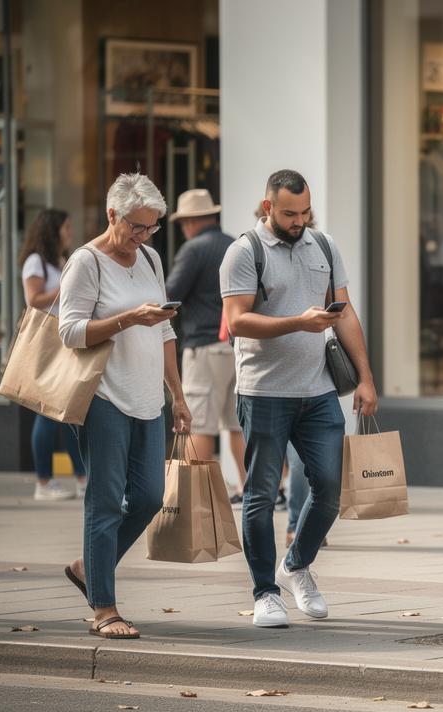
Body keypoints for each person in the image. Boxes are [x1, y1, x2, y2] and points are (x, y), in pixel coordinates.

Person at [222, 169, 378, 629]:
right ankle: (265, 592)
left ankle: (294, 565)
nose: (299, 220)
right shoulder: (243, 252)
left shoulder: (324, 245)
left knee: (330, 487)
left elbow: (344, 312)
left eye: (305, 211)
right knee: (261, 494)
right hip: (264, 392)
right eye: (290, 213)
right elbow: (236, 321)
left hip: (319, 391)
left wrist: (366, 378)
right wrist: (298, 322)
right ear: (268, 207)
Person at [58, 173, 192, 639]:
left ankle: (86, 567)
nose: (143, 236)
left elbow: (166, 331)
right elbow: (69, 332)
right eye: (136, 226)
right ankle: (104, 610)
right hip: (104, 399)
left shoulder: (151, 257)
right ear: (112, 214)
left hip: (148, 399)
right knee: (105, 503)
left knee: (151, 497)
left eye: (151, 228)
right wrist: (127, 318)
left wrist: (176, 393)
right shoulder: (86, 262)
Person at [165, 189, 247, 504]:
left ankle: (195, 498)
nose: (184, 227)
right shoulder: (234, 245)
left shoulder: (193, 249)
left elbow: (171, 295)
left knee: (199, 421)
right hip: (234, 346)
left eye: (184, 221)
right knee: (235, 424)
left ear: (194, 220)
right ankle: (245, 488)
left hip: (203, 345)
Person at [19, 209, 87, 501]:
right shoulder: (36, 262)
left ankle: (83, 479)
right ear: (52, 230)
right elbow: (33, 300)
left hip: (67, 342)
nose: (70, 231)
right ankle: (44, 484)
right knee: (47, 414)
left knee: (72, 414)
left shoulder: (63, 260)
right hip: (47, 344)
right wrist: (65, 287)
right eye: (66, 226)